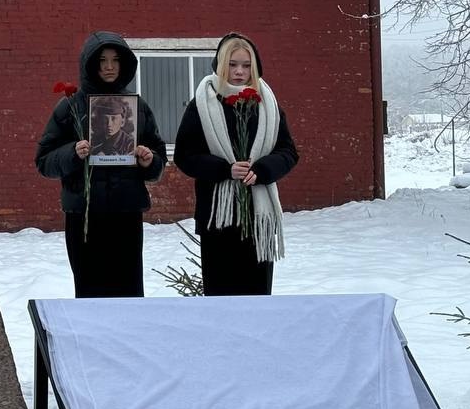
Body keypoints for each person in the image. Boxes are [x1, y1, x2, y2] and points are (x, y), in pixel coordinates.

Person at [35, 31, 166, 298]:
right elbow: (44, 161)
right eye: (102, 60)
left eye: (115, 60)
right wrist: (72, 153)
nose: (109, 67)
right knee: (89, 295)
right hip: (84, 217)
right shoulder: (71, 106)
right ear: (90, 64)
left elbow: (158, 160)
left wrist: (149, 160)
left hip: (126, 216)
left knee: (128, 294)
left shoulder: (137, 107)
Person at [174, 33, 298, 295]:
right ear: (221, 65)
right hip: (218, 218)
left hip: (258, 218)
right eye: (232, 65)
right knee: (221, 299)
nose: (239, 71)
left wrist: (264, 170)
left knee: (257, 298)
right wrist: (224, 169)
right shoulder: (202, 104)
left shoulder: (267, 103)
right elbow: (185, 156)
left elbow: (288, 152)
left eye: (246, 65)